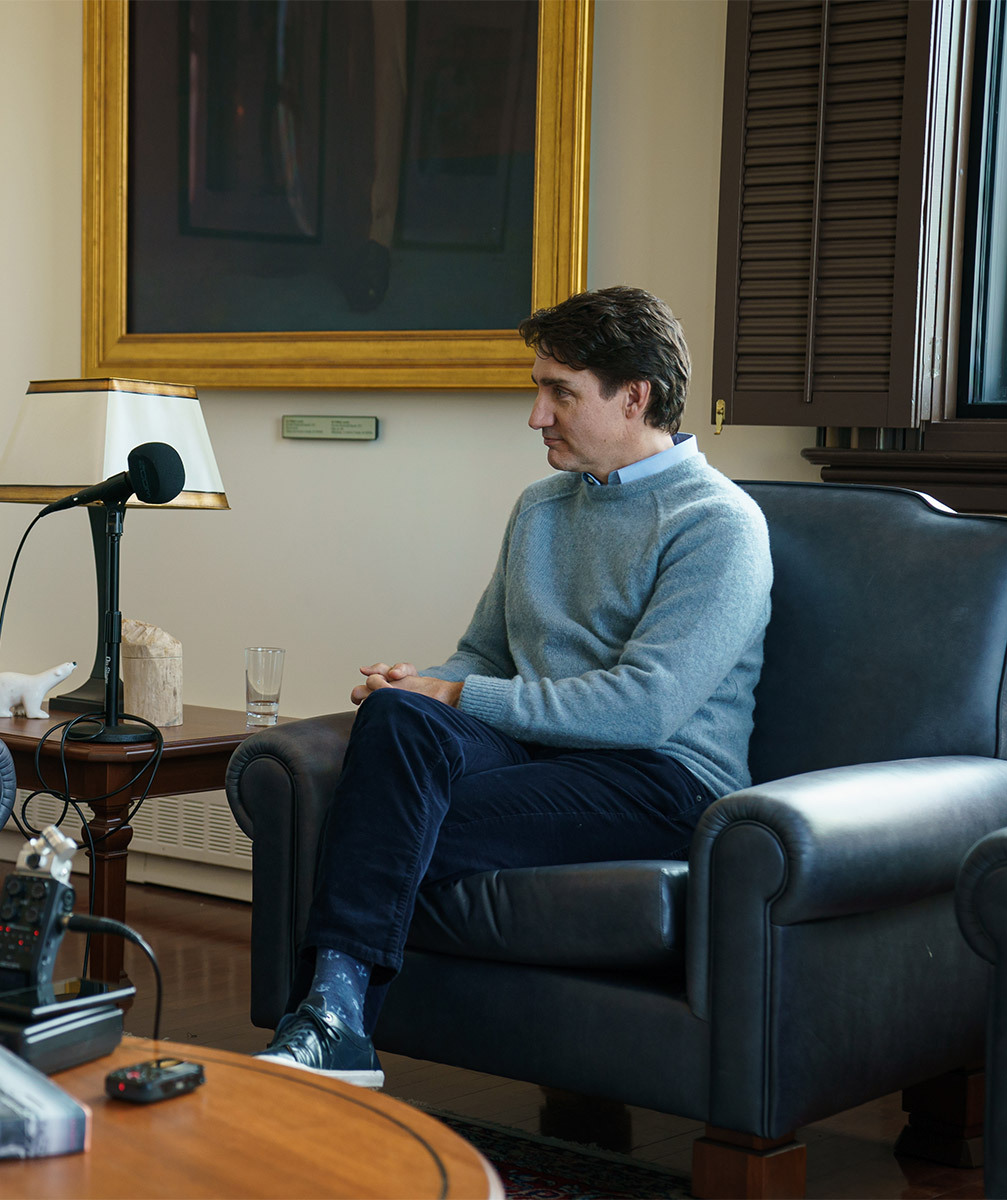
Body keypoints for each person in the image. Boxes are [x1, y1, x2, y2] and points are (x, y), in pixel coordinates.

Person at [255, 287, 771, 1086]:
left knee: (378, 825)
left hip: (661, 778)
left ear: (634, 396)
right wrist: (420, 684)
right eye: (539, 389)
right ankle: (336, 1021)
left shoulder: (718, 523)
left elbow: (645, 706)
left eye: (559, 391)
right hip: (539, 754)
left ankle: (330, 1015)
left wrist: (455, 697)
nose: (537, 415)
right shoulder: (540, 509)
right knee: (397, 722)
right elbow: (483, 655)